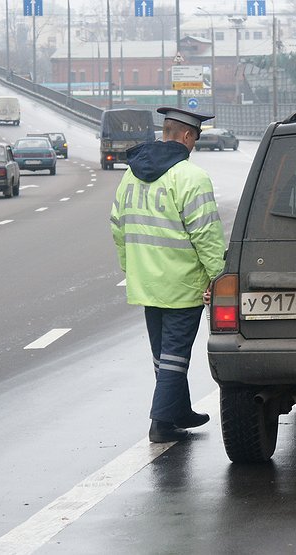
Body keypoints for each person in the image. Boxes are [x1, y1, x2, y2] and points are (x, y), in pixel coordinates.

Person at [110, 107, 226, 443]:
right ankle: (160, 422)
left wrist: (131, 268)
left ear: (166, 132)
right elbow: (206, 234)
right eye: (196, 139)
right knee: (175, 355)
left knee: (164, 356)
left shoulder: (130, 175)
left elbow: (117, 227)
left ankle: (179, 412)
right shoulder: (191, 178)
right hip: (182, 283)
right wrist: (218, 278)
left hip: (146, 282)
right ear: (188, 136)